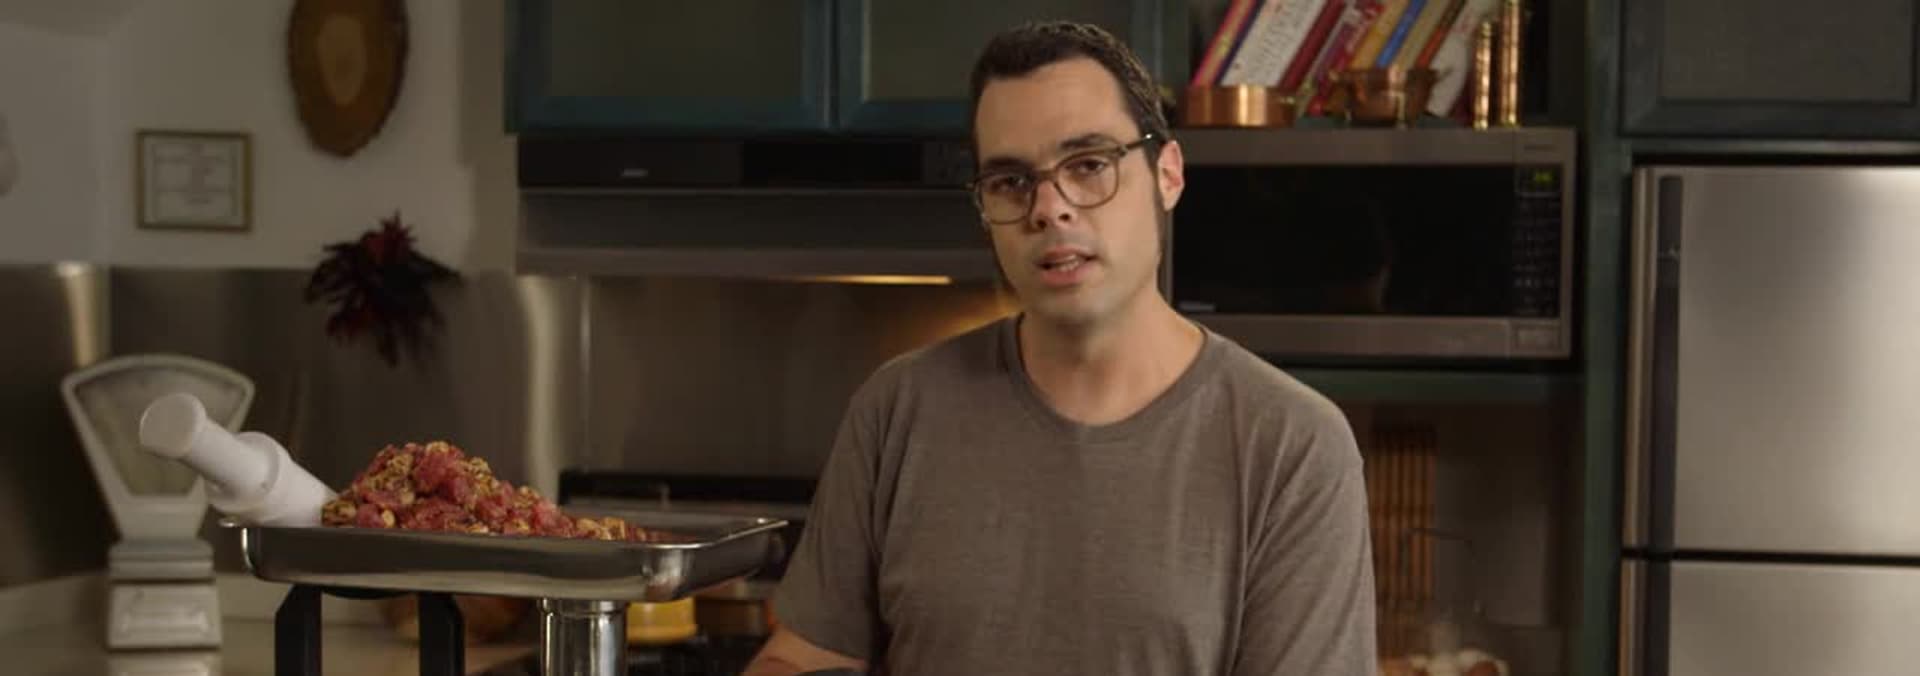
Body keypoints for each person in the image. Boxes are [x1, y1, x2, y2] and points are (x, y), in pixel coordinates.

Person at [743, 20, 1377, 676]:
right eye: (1011, 181)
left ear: (1167, 174)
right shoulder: (895, 411)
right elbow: (802, 656)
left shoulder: (1293, 446)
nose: (1049, 208)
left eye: (1089, 165)